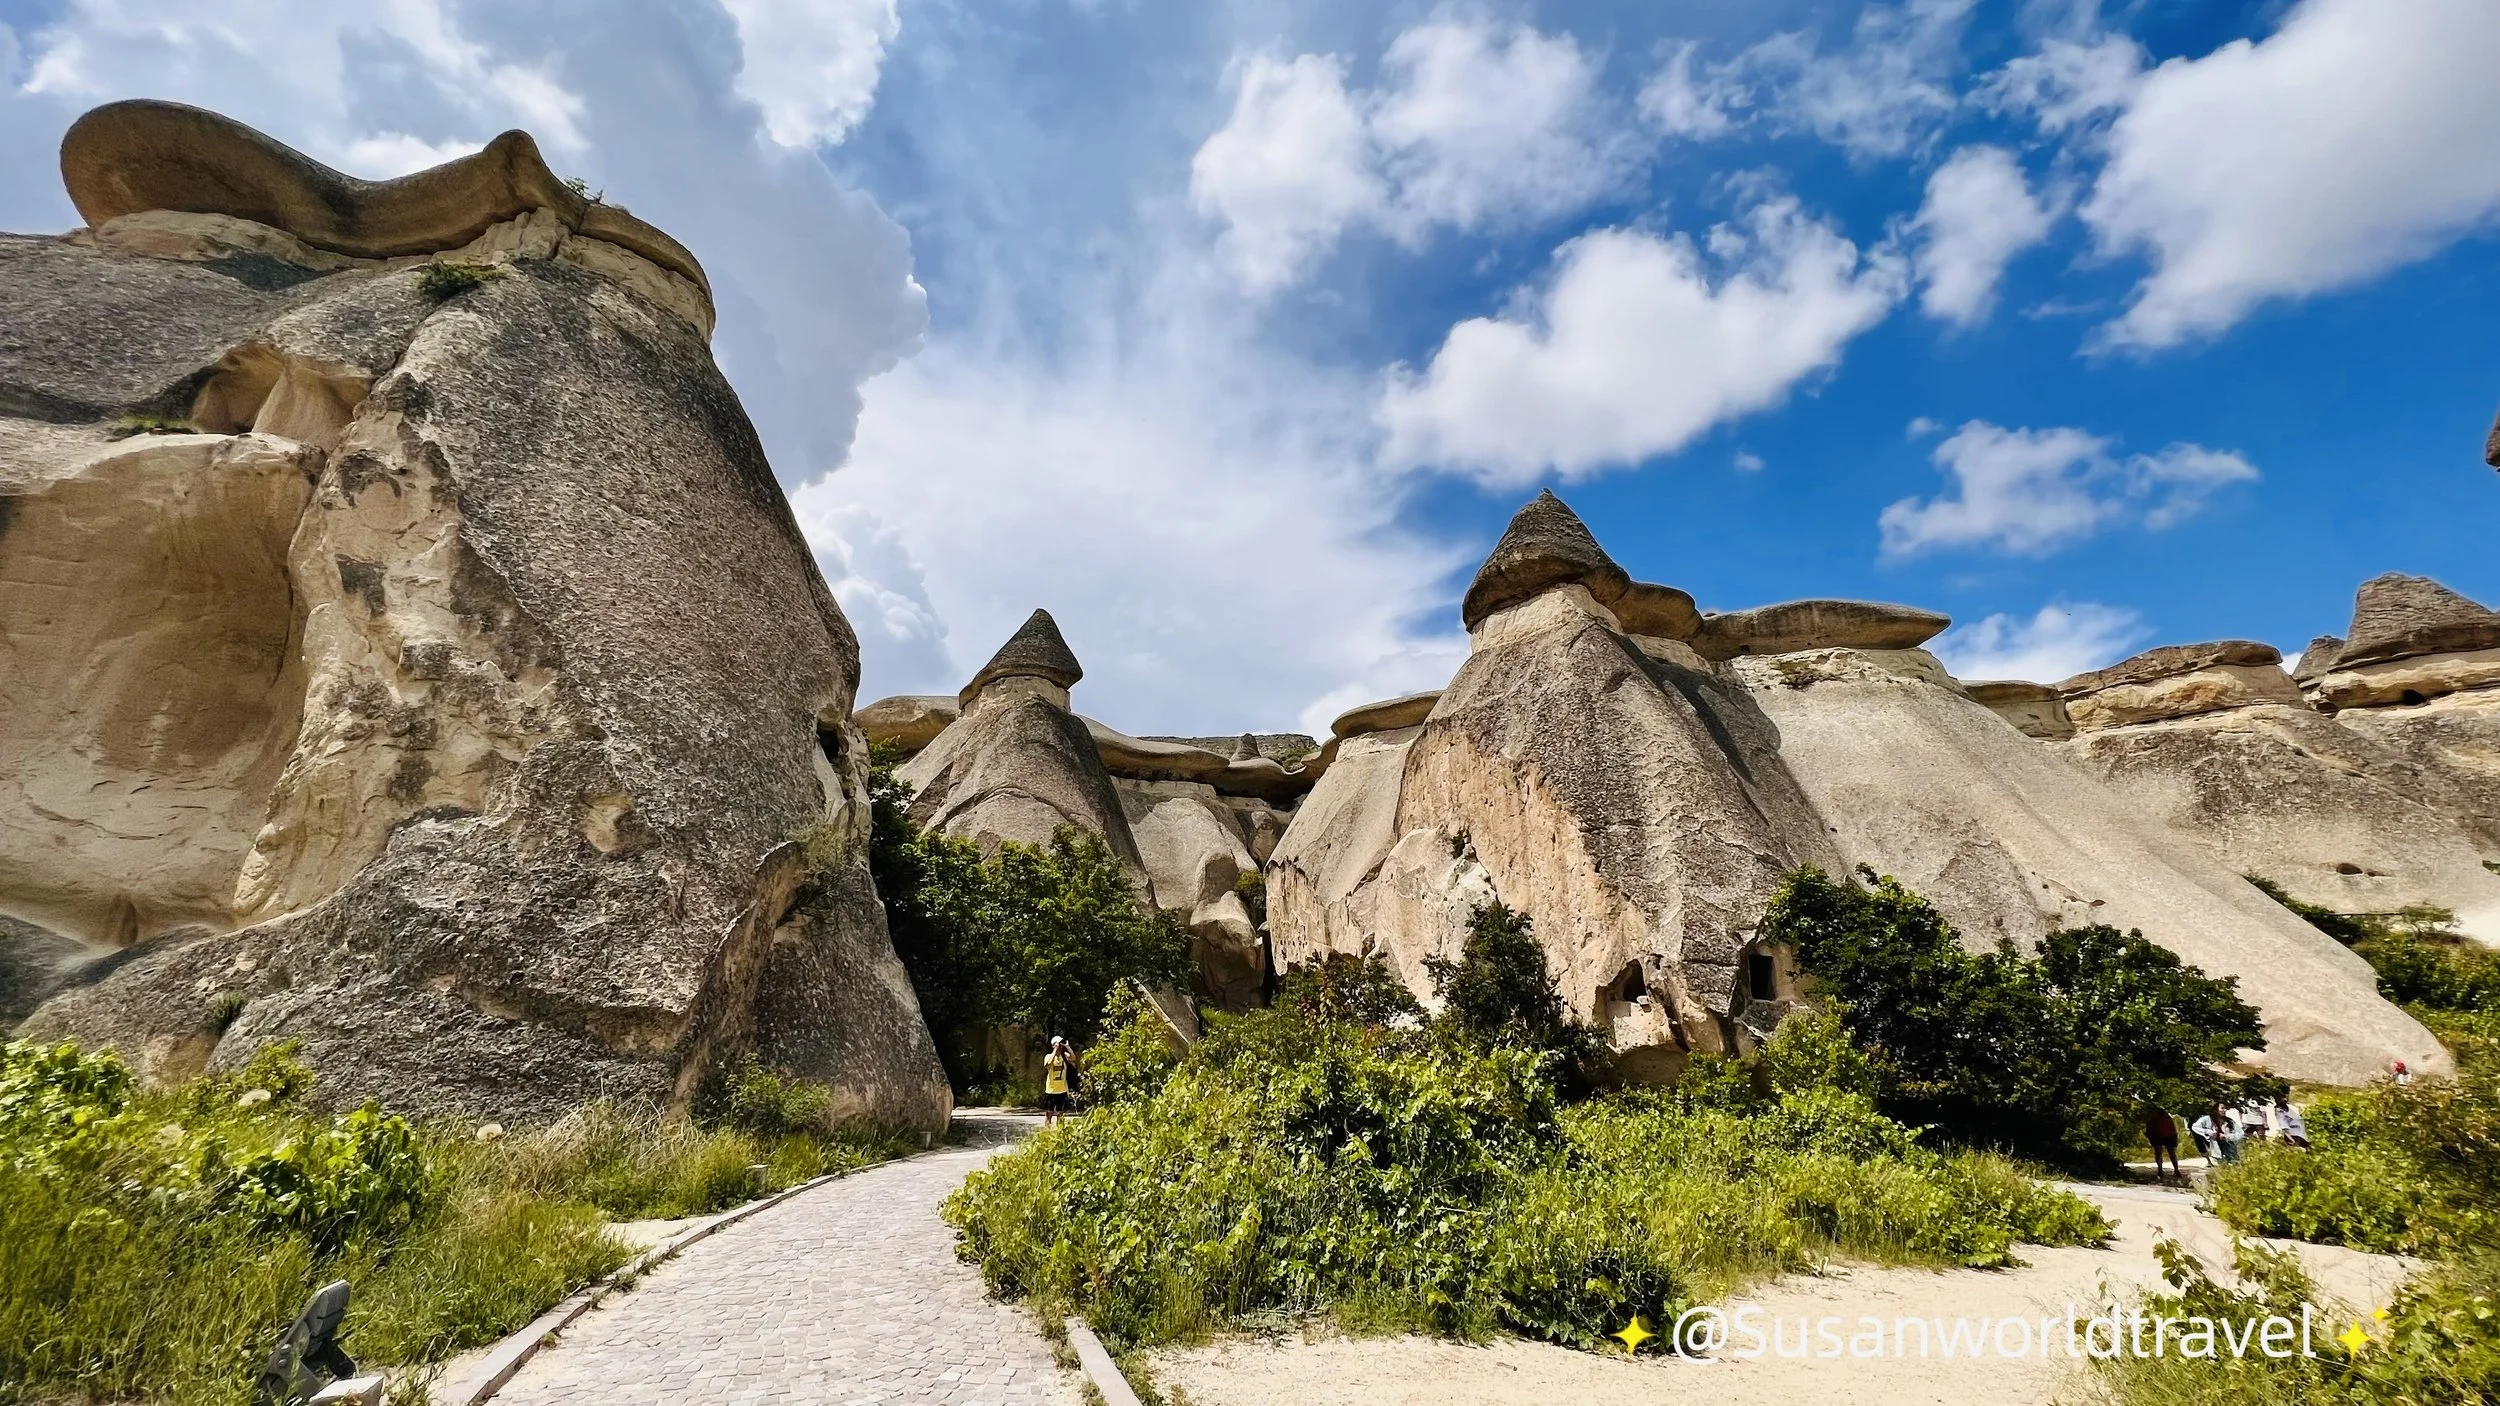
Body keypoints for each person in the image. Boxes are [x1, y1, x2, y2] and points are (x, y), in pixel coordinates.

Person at [1040, 1035, 1079, 1127]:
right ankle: (1047, 1132)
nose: (1060, 1047)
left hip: (1062, 1090)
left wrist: (1068, 1047)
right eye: (1058, 1044)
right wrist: (1055, 1050)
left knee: (1061, 1114)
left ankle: (1060, 1131)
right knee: (1049, 1113)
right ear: (1053, 1045)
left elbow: (1073, 1058)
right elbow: (1048, 1063)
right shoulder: (1048, 1056)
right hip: (1051, 1090)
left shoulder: (1064, 1056)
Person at [2142, 1106, 2184, 1183]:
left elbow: (2149, 1128)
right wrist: (2175, 1137)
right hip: (2168, 1136)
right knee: (2171, 1153)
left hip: (2158, 1136)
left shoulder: (2152, 1118)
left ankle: (2160, 1170)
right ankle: (2176, 1170)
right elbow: (2173, 1129)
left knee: (2158, 1153)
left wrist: (2149, 1136)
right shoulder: (2167, 1118)